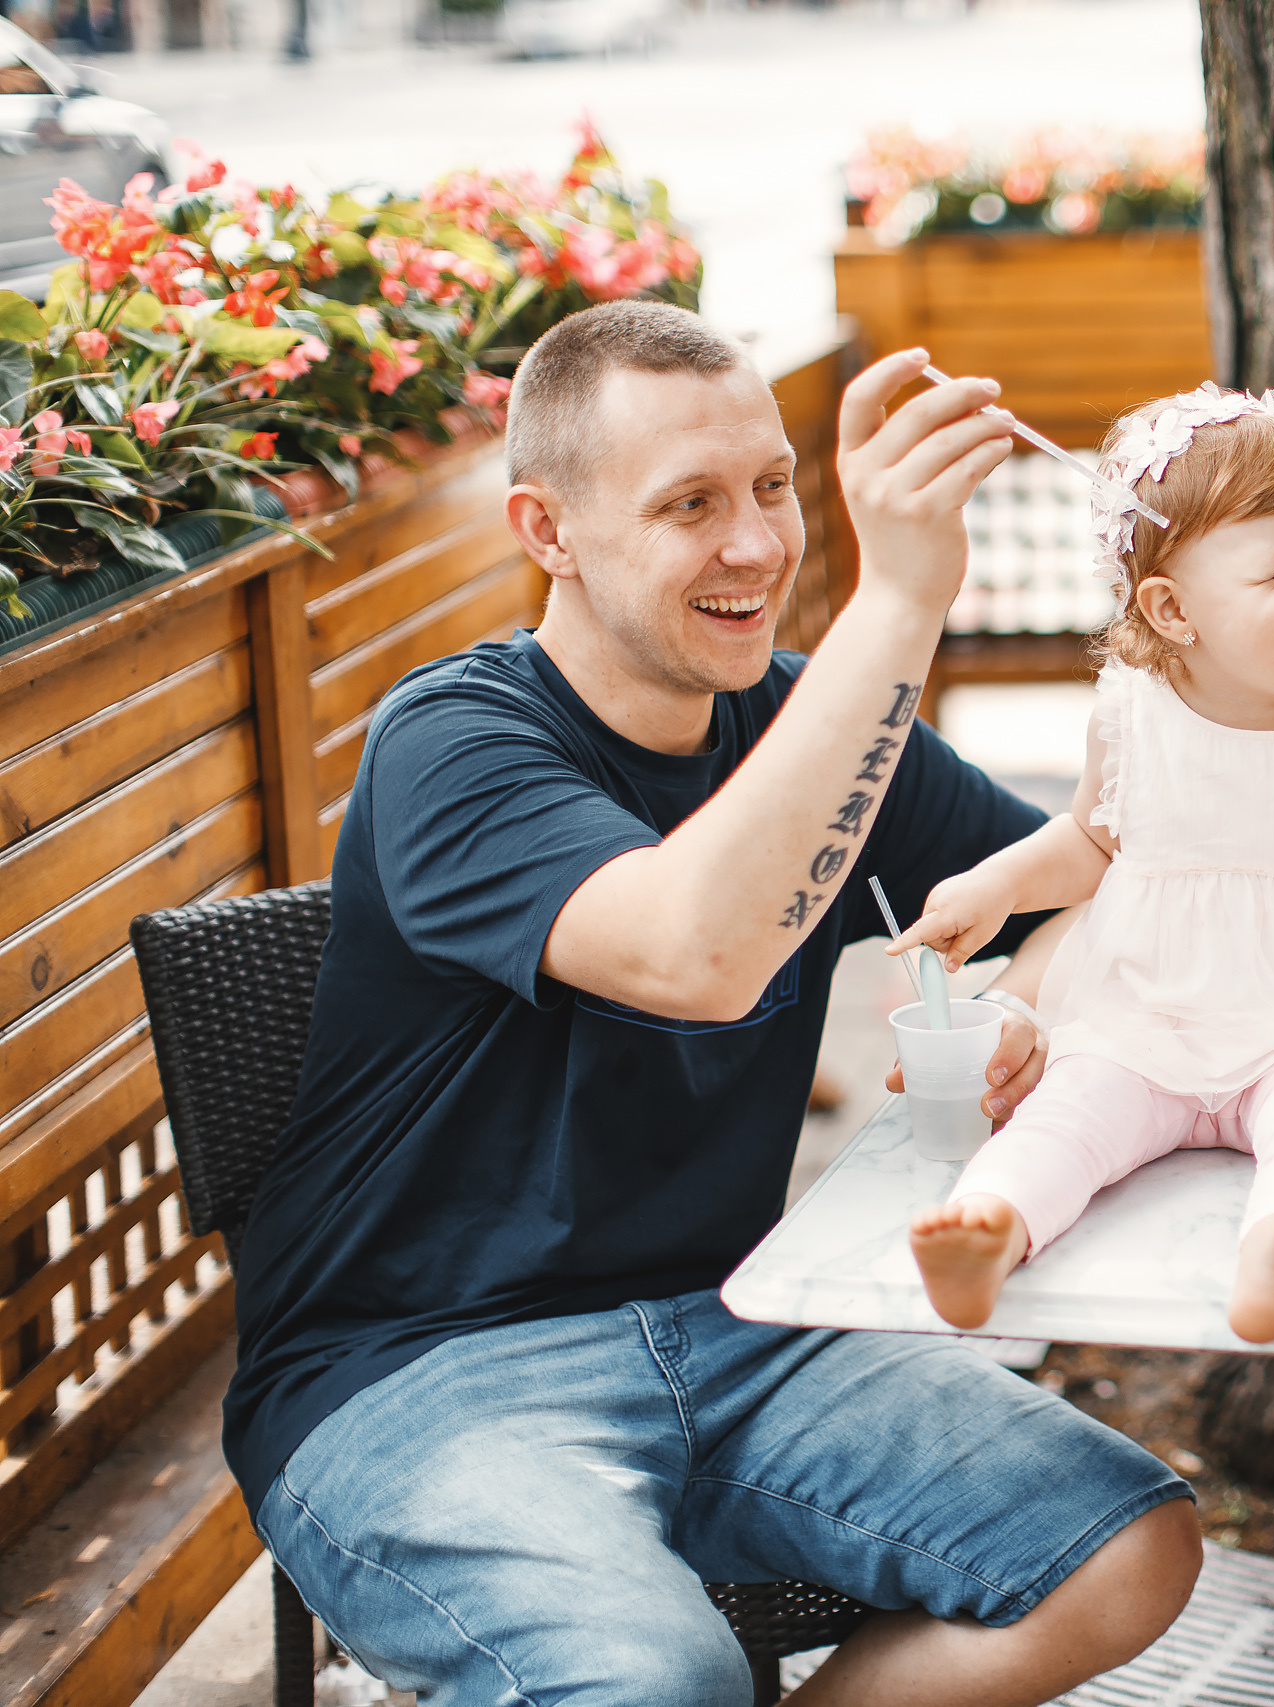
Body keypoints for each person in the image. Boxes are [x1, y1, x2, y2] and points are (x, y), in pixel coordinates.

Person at [225, 302, 1201, 1707]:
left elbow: (1089, 892)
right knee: (657, 1676)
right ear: (546, 529)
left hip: (740, 1320)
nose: (756, 544)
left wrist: (1024, 1009)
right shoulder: (449, 740)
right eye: (690, 504)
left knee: (1125, 1545)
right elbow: (696, 953)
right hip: (419, 1369)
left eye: (771, 487)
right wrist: (904, 599)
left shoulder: (804, 718)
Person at [886, 381, 1274, 1343]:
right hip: (1152, 1012)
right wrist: (994, 887)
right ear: (1173, 610)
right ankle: (992, 1224)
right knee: (1074, 1107)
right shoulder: (1133, 711)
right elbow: (1094, 841)